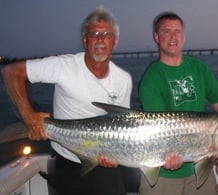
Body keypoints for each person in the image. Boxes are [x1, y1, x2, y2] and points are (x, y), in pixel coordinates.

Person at [1, 6, 132, 195]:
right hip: (66, 160)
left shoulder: (123, 79)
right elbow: (12, 72)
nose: (101, 39)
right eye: (94, 33)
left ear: (115, 41)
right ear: (85, 40)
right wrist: (29, 116)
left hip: (102, 162)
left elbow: (121, 125)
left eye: (106, 34)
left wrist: (116, 155)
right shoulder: (64, 66)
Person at [138, 12, 218, 195]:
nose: (173, 37)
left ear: (183, 36)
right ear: (156, 37)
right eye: (166, 31)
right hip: (164, 175)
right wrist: (167, 155)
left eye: (177, 31)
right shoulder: (151, 78)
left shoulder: (199, 68)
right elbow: (160, 131)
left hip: (202, 168)